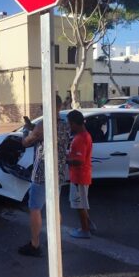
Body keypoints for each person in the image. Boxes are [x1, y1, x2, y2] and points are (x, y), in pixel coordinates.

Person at [18, 95, 69, 257]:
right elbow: (44, 136)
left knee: (35, 208)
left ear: (47, 107)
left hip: (42, 173)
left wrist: (27, 129)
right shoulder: (65, 126)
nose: (41, 109)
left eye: (42, 106)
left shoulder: (42, 125)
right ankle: (55, 240)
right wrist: (34, 127)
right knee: (55, 208)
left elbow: (26, 142)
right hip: (59, 171)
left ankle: (35, 244)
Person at [66, 110, 94, 239]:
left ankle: (85, 230)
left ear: (74, 123)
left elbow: (79, 160)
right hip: (80, 176)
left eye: (69, 124)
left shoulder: (81, 138)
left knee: (79, 205)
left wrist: (64, 160)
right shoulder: (83, 136)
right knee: (82, 202)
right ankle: (88, 224)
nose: (69, 126)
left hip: (79, 177)